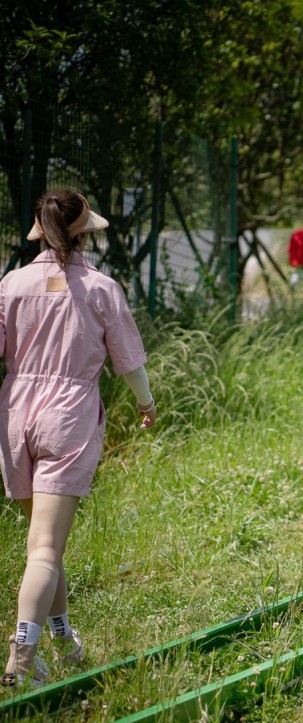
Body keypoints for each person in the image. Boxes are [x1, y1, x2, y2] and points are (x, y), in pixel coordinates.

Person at [0, 191, 156, 689]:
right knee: (46, 546)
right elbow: (128, 360)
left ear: (40, 232)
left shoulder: (11, 283)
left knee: (43, 543)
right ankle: (20, 661)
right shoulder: (100, 288)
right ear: (85, 233)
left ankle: (65, 642)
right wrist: (146, 402)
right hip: (67, 416)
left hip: (15, 415)